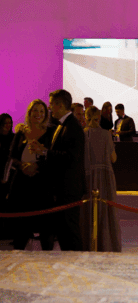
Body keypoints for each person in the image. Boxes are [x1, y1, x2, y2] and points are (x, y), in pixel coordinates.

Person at [29, 89, 86, 251]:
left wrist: (44, 152)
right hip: (63, 189)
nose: (49, 108)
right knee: (64, 232)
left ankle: (77, 262)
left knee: (70, 233)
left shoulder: (72, 126)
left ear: (60, 105)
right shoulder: (65, 125)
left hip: (69, 189)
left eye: (51, 104)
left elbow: (70, 157)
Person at [6, 100, 55, 250]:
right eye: (35, 110)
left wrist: (37, 166)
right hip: (21, 183)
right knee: (21, 225)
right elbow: (12, 156)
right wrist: (22, 166)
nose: (38, 114)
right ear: (29, 112)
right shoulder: (21, 132)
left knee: (45, 225)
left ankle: (48, 258)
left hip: (42, 183)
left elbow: (52, 157)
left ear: (45, 114)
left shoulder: (50, 133)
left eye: (41, 111)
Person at [81, 106, 121, 252]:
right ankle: (106, 244)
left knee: (88, 212)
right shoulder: (106, 134)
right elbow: (113, 158)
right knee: (105, 212)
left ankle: (89, 245)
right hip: (105, 178)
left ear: (86, 118)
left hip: (88, 178)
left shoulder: (83, 134)